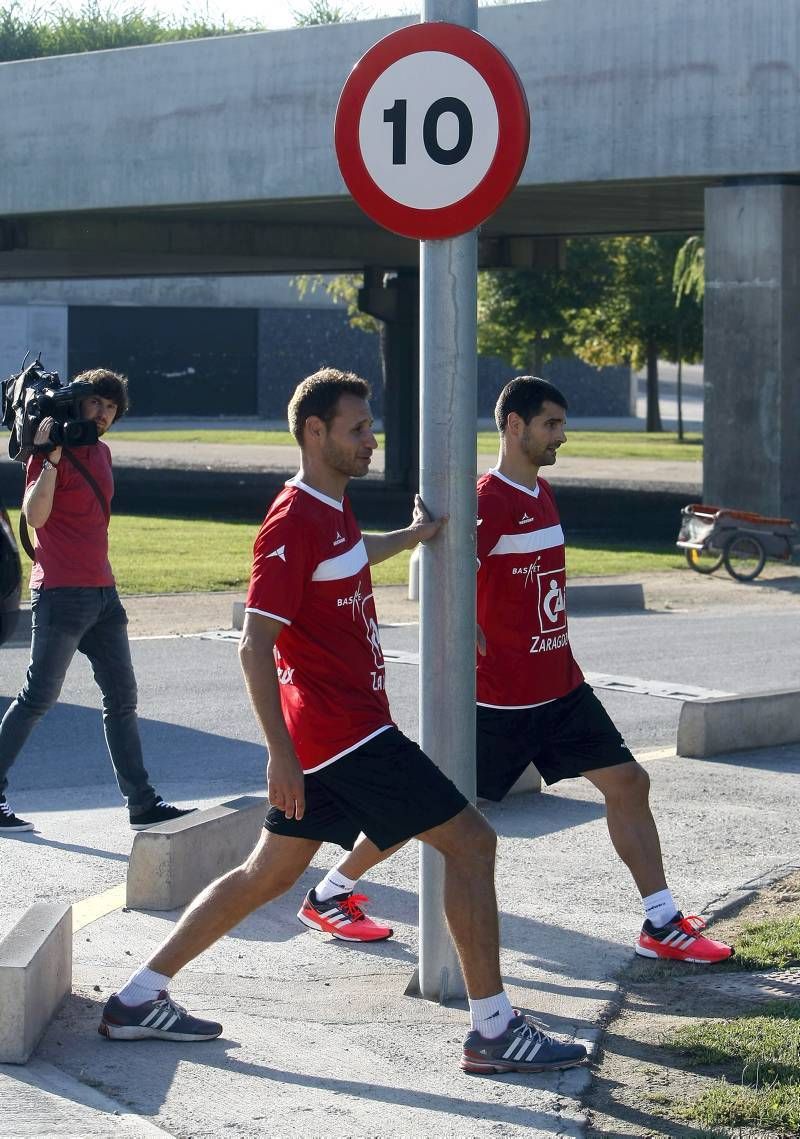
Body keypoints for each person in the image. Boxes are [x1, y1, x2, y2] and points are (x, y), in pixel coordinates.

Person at [98, 367, 588, 1076]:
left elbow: (351, 560)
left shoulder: (333, 509)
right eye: (359, 429)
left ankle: (138, 996)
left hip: (336, 737)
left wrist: (415, 535)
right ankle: (493, 1028)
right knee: (473, 843)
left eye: (370, 427)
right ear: (315, 432)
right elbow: (254, 642)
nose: (372, 439)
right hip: (345, 737)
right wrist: (279, 754)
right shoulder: (293, 519)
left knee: (265, 874)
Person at [304, 375, 733, 967]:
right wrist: (466, 626)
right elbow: (440, 579)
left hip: (561, 688)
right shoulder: (491, 500)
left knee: (631, 783)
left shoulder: (543, 493)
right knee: (423, 809)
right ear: (514, 425)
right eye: (550, 424)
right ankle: (332, 892)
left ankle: (661, 921)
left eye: (561, 423)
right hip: (500, 704)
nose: (561, 434)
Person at [0, 369, 195, 835]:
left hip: (104, 595)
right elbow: (36, 515)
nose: (104, 414)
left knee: (123, 700)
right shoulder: (50, 452)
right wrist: (49, 460)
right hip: (61, 595)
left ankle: (142, 804)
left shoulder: (102, 452)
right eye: (96, 404)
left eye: (111, 407)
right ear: (78, 402)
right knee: (37, 698)